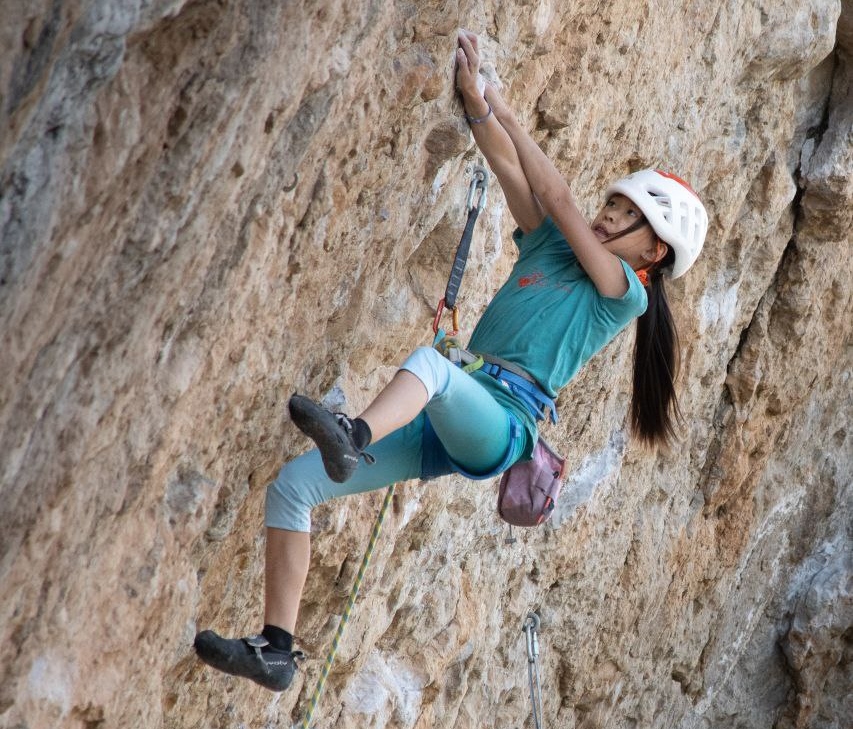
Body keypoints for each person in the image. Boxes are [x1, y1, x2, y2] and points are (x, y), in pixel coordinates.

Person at [193, 29, 709, 691]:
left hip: (500, 421)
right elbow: (509, 169)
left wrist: (503, 101)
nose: (607, 215)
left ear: (652, 254)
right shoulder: (551, 251)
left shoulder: (622, 294)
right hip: (451, 418)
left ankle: (352, 434)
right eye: (611, 203)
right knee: (294, 487)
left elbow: (555, 196)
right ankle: (276, 648)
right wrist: (475, 105)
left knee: (430, 366)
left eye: (628, 215)